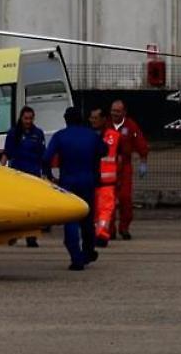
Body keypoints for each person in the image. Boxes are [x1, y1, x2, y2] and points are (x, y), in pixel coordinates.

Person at [43, 107, 105, 271]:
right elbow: (103, 150)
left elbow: (46, 158)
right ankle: (88, 251)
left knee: (71, 220)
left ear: (66, 120)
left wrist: (50, 176)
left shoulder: (60, 136)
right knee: (87, 219)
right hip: (88, 181)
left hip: (68, 183)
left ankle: (76, 257)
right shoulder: (91, 135)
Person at [2, 106, 45, 247]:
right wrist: (0, 169)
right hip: (17, 175)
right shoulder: (13, 133)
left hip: (33, 176)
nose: (28, 121)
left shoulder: (38, 134)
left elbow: (43, 155)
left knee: (32, 208)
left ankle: (31, 237)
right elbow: (7, 153)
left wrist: (45, 174)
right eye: (26, 118)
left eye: (30, 118)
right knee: (16, 207)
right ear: (21, 118)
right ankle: (12, 235)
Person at [109, 100, 149, 240]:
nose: (114, 113)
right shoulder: (106, 124)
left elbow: (140, 141)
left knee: (125, 198)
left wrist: (143, 160)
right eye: (113, 110)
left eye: (117, 111)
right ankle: (110, 229)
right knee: (109, 199)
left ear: (124, 112)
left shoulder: (131, 126)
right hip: (108, 166)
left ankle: (124, 228)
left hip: (125, 166)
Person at [93, 110, 119, 246]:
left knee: (103, 211)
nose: (93, 120)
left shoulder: (88, 136)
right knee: (101, 211)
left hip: (104, 182)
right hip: (99, 181)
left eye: (96, 118)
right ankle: (100, 234)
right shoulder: (114, 136)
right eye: (92, 118)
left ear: (104, 119)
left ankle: (100, 234)